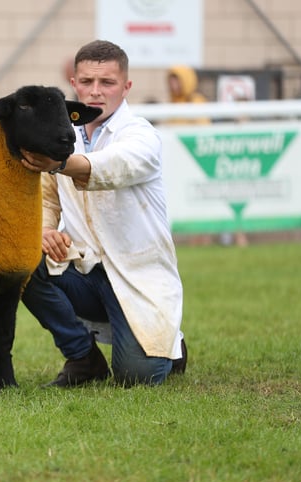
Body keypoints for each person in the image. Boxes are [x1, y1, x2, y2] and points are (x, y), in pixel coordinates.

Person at [19, 40, 187, 387]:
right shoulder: (63, 135)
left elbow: (114, 165)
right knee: (19, 260)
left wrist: (60, 162)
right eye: (87, 82)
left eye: (107, 83)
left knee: (137, 378)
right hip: (84, 271)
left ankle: (172, 343)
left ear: (126, 87)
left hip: (138, 274)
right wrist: (43, 230)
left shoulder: (141, 135)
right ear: (74, 83)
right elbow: (47, 197)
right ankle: (83, 359)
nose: (95, 92)